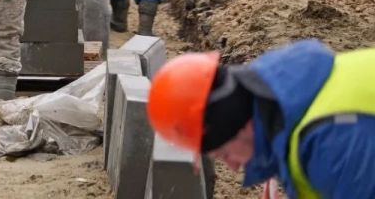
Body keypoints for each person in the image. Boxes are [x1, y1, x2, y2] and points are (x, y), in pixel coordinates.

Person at [147, 39, 375, 199]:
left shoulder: (332, 142)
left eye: (224, 154)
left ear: (240, 124)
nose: (233, 166)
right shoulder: (288, 104)